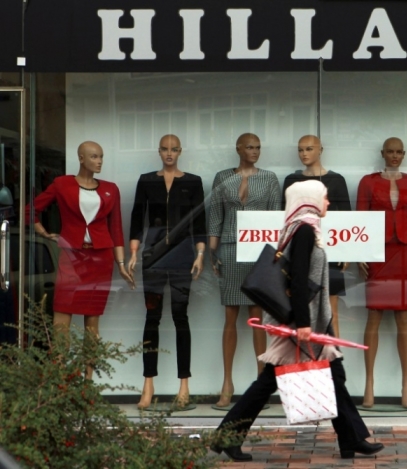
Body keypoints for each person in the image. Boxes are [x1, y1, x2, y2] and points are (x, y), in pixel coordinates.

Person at [212, 180, 384, 461]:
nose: (327, 203)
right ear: (309, 200)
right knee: (270, 381)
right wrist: (303, 324)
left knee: (334, 376)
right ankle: (227, 437)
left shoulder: (300, 228)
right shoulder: (304, 230)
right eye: (324, 198)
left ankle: (351, 439)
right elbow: (301, 280)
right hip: (301, 323)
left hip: (310, 320)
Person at [27, 141, 135, 379]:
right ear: (81, 158)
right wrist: (44, 232)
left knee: (92, 324)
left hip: (100, 260)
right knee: (61, 319)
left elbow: (116, 228)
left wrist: (120, 263)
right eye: (94, 156)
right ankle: (58, 379)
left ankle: (88, 383)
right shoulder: (62, 184)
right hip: (71, 257)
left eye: (102, 156)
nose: (99, 161)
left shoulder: (110, 189)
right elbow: (30, 210)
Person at [128, 134, 206, 409]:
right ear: (158, 151)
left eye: (174, 149)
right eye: (164, 149)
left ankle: (184, 384)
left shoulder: (193, 182)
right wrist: (134, 253)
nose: (169, 153)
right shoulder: (147, 180)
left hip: (184, 254)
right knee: (152, 317)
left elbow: (199, 221)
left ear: (180, 151)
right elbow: (138, 217)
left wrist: (200, 253)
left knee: (180, 317)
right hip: (153, 255)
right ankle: (148, 384)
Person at [356, 137, 407, 409]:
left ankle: (406, 385)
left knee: (403, 317)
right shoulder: (368, 181)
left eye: (399, 151)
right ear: (382, 153)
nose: (395, 155)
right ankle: (369, 385)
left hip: (406, 252)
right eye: (390, 151)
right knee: (373, 316)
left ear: (404, 154)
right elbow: (360, 218)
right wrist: (360, 253)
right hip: (376, 252)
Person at [208, 133, 281, 407]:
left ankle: (260, 385)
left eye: (258, 147)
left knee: (257, 319)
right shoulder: (223, 177)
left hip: (258, 252)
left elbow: (275, 217)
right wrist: (212, 253)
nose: (255, 151)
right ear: (238, 149)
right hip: (228, 248)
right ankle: (227, 384)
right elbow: (215, 214)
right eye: (249, 147)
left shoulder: (269, 178)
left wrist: (273, 257)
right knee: (230, 317)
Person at [282, 135, 351, 337]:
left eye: (309, 149)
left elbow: (347, 218)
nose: (304, 154)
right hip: (299, 253)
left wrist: (348, 251)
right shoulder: (291, 181)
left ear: (320, 149)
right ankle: (306, 364)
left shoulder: (336, 181)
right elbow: (283, 218)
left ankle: (333, 362)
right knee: (300, 312)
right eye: (301, 149)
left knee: (331, 313)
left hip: (330, 250)